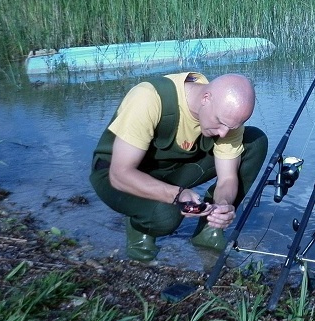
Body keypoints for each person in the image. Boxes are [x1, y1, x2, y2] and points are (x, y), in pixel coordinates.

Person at [89, 72, 268, 261]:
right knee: (166, 216)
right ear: (206, 98)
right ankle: (140, 231)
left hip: (171, 169)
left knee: (254, 142)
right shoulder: (148, 98)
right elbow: (120, 174)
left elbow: (228, 178)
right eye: (221, 123)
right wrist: (177, 195)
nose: (224, 133)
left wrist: (223, 206)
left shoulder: (228, 116)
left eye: (231, 127)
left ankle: (208, 233)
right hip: (115, 175)